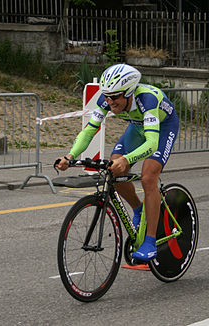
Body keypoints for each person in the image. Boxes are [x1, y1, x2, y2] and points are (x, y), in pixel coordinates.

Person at [56, 63, 179, 262]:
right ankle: (139, 209)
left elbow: (152, 143)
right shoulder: (107, 99)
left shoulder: (147, 100)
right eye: (106, 96)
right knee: (114, 169)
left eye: (114, 97)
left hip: (163, 128)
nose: (109, 101)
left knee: (148, 178)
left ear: (129, 92)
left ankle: (150, 240)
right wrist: (70, 156)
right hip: (138, 128)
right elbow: (89, 130)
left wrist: (127, 159)